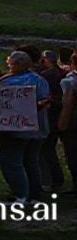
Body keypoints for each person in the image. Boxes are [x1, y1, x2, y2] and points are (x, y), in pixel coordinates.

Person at [0, 51, 50, 203]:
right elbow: (45, 99)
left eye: (11, 64)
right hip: (38, 128)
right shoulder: (39, 80)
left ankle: (20, 194)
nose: (9, 67)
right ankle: (34, 194)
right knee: (31, 161)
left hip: (15, 128)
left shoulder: (8, 81)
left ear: (17, 64)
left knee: (12, 161)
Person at [38, 50, 65, 190]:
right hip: (58, 114)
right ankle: (56, 177)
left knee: (46, 149)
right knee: (50, 149)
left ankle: (51, 178)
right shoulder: (61, 73)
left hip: (51, 115)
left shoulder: (47, 76)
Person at [59, 51, 77, 194]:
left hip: (74, 123)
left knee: (73, 154)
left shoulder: (70, 81)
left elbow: (68, 104)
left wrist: (62, 124)